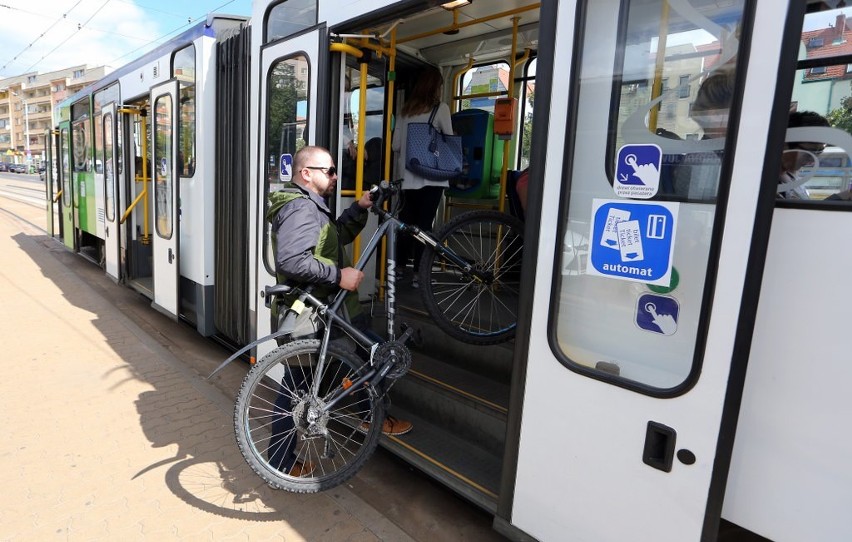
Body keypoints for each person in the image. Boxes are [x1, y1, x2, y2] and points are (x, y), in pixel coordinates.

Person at [265, 146, 413, 477]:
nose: (335, 176)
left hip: (336, 310)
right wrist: (339, 276)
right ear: (307, 174)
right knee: (299, 389)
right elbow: (292, 260)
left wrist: (359, 209)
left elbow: (333, 238)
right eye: (329, 171)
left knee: (365, 359)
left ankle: (369, 415)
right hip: (315, 314)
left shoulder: (311, 208)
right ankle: (281, 461)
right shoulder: (302, 210)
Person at [391, 66, 454, 287]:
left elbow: (395, 145)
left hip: (407, 179)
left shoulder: (404, 111)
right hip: (431, 178)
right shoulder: (441, 109)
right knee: (424, 227)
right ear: (436, 87)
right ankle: (420, 274)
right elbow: (449, 139)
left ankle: (398, 269)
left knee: (407, 225)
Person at [778, 111, 830, 200]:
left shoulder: (791, 176)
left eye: (819, 153)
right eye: (809, 153)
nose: (813, 161)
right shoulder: (765, 185)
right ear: (785, 144)